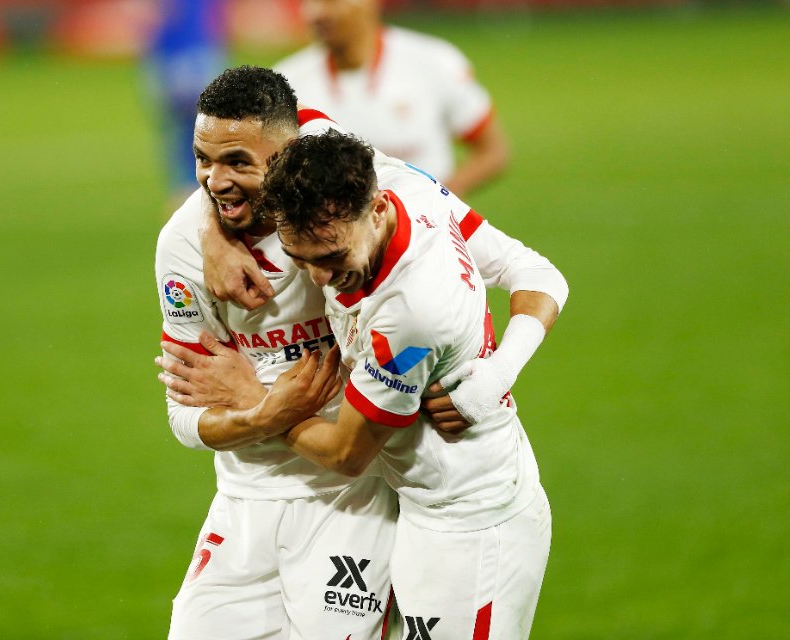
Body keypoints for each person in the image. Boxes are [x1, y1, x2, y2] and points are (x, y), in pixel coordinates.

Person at [155, 66, 566, 639]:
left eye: (332, 260)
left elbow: (348, 451)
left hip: (453, 508)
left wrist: (261, 404)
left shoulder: (407, 307)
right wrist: (210, 231)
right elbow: (184, 408)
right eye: (305, 263)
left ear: (374, 209)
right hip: (397, 503)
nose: (324, 283)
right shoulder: (319, 194)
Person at [274, 0, 508, 199]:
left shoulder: (434, 62)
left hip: (425, 239)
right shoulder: (287, 81)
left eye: (332, 1)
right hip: (336, 243)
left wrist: (442, 200)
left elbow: (492, 151)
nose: (316, 13)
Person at [144, 0, 227, 209]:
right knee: (190, 125)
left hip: (188, 54)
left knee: (192, 124)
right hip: (185, 53)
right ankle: (193, 185)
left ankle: (192, 186)